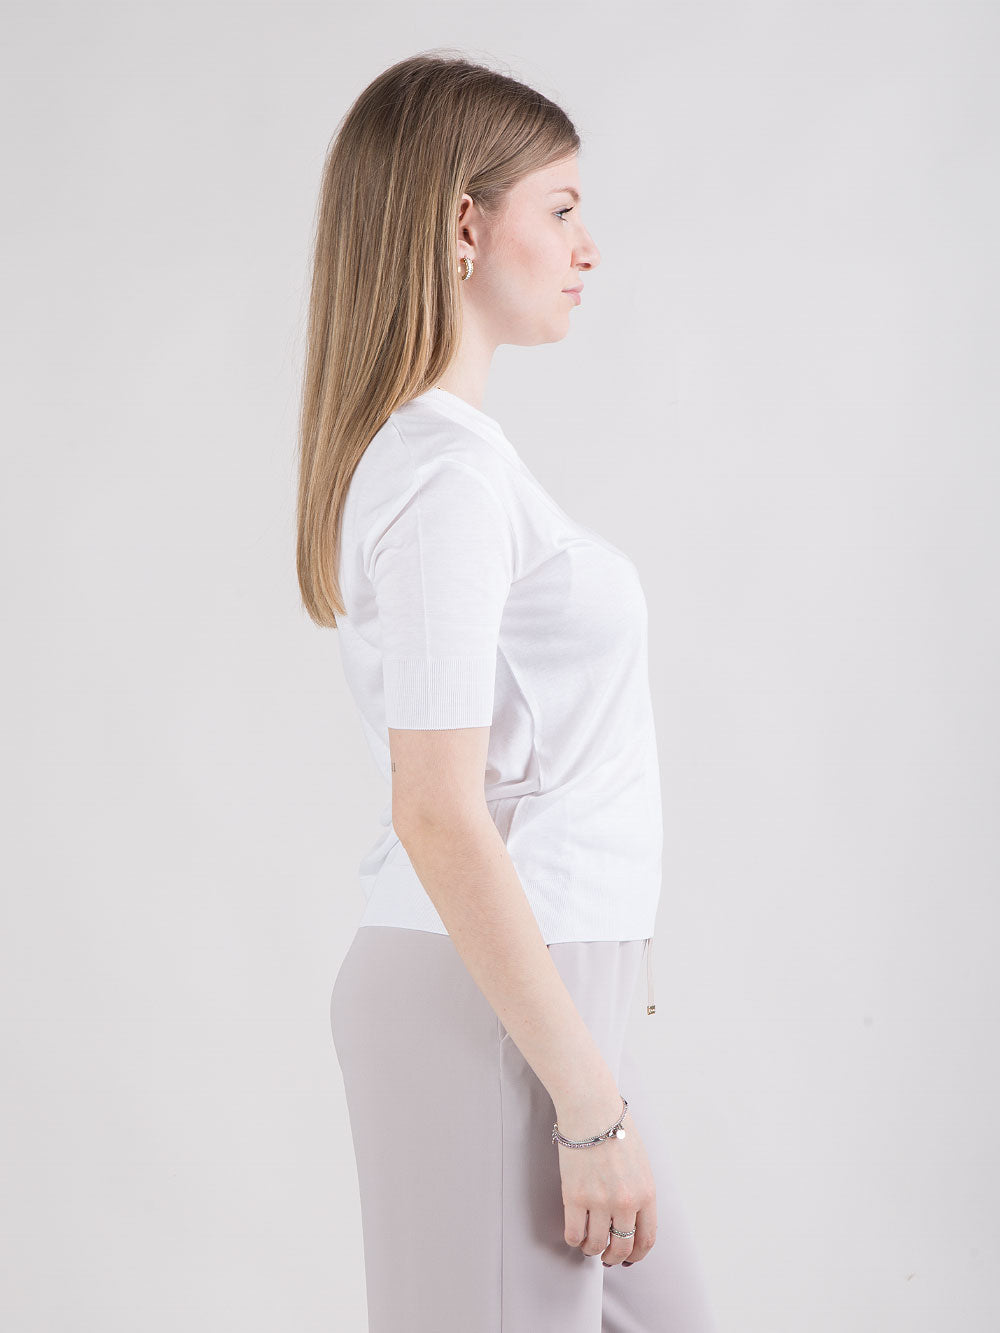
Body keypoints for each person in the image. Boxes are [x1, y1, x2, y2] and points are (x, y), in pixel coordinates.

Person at [297, 50, 719, 1332]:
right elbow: (435, 806)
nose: (588, 247)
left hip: (536, 1002)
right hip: (485, 1008)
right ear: (465, 226)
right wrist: (587, 1108)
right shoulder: (443, 478)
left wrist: (592, 1081)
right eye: (562, 207)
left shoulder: (461, 463)